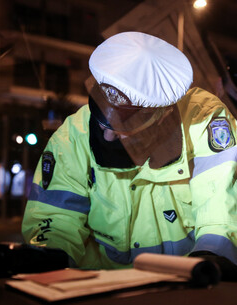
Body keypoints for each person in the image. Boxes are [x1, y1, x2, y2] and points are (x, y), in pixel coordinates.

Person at [22, 32, 237, 278]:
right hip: (102, 289)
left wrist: (212, 259)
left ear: (161, 115)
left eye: (125, 125)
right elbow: (55, 216)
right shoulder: (72, 136)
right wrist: (48, 256)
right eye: (104, 118)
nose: (108, 136)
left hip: (186, 283)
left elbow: (221, 203)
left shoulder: (204, 119)